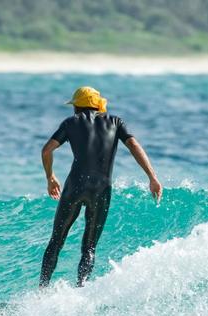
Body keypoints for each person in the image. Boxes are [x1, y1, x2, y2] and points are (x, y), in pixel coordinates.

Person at [40, 86, 162, 287]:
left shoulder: (71, 122)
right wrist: (152, 177)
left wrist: (50, 177)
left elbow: (46, 151)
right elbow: (134, 145)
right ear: (98, 105)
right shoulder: (115, 122)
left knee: (56, 241)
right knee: (89, 248)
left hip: (75, 187)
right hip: (101, 191)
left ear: (77, 107)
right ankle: (81, 289)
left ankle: (42, 291)